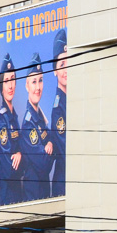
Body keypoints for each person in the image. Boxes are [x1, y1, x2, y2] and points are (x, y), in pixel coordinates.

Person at [20, 52, 53, 201]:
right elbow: (44, 163)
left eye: (40, 80)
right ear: (27, 85)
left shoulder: (40, 118)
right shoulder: (28, 124)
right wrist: (50, 147)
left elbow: (55, 148)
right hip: (33, 196)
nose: (38, 87)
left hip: (45, 192)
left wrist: (51, 144)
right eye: (34, 82)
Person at [0, 53, 23, 206]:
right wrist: (23, 159)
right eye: (6, 81)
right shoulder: (1, 121)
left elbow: (20, 150)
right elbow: (10, 168)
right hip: (6, 196)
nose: (10, 86)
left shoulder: (13, 117)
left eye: (13, 80)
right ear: (1, 87)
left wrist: (19, 153)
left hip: (16, 192)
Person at [49, 28, 67, 197]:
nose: (66, 69)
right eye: (62, 65)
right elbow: (66, 148)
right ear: (55, 71)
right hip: (64, 185)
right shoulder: (58, 108)